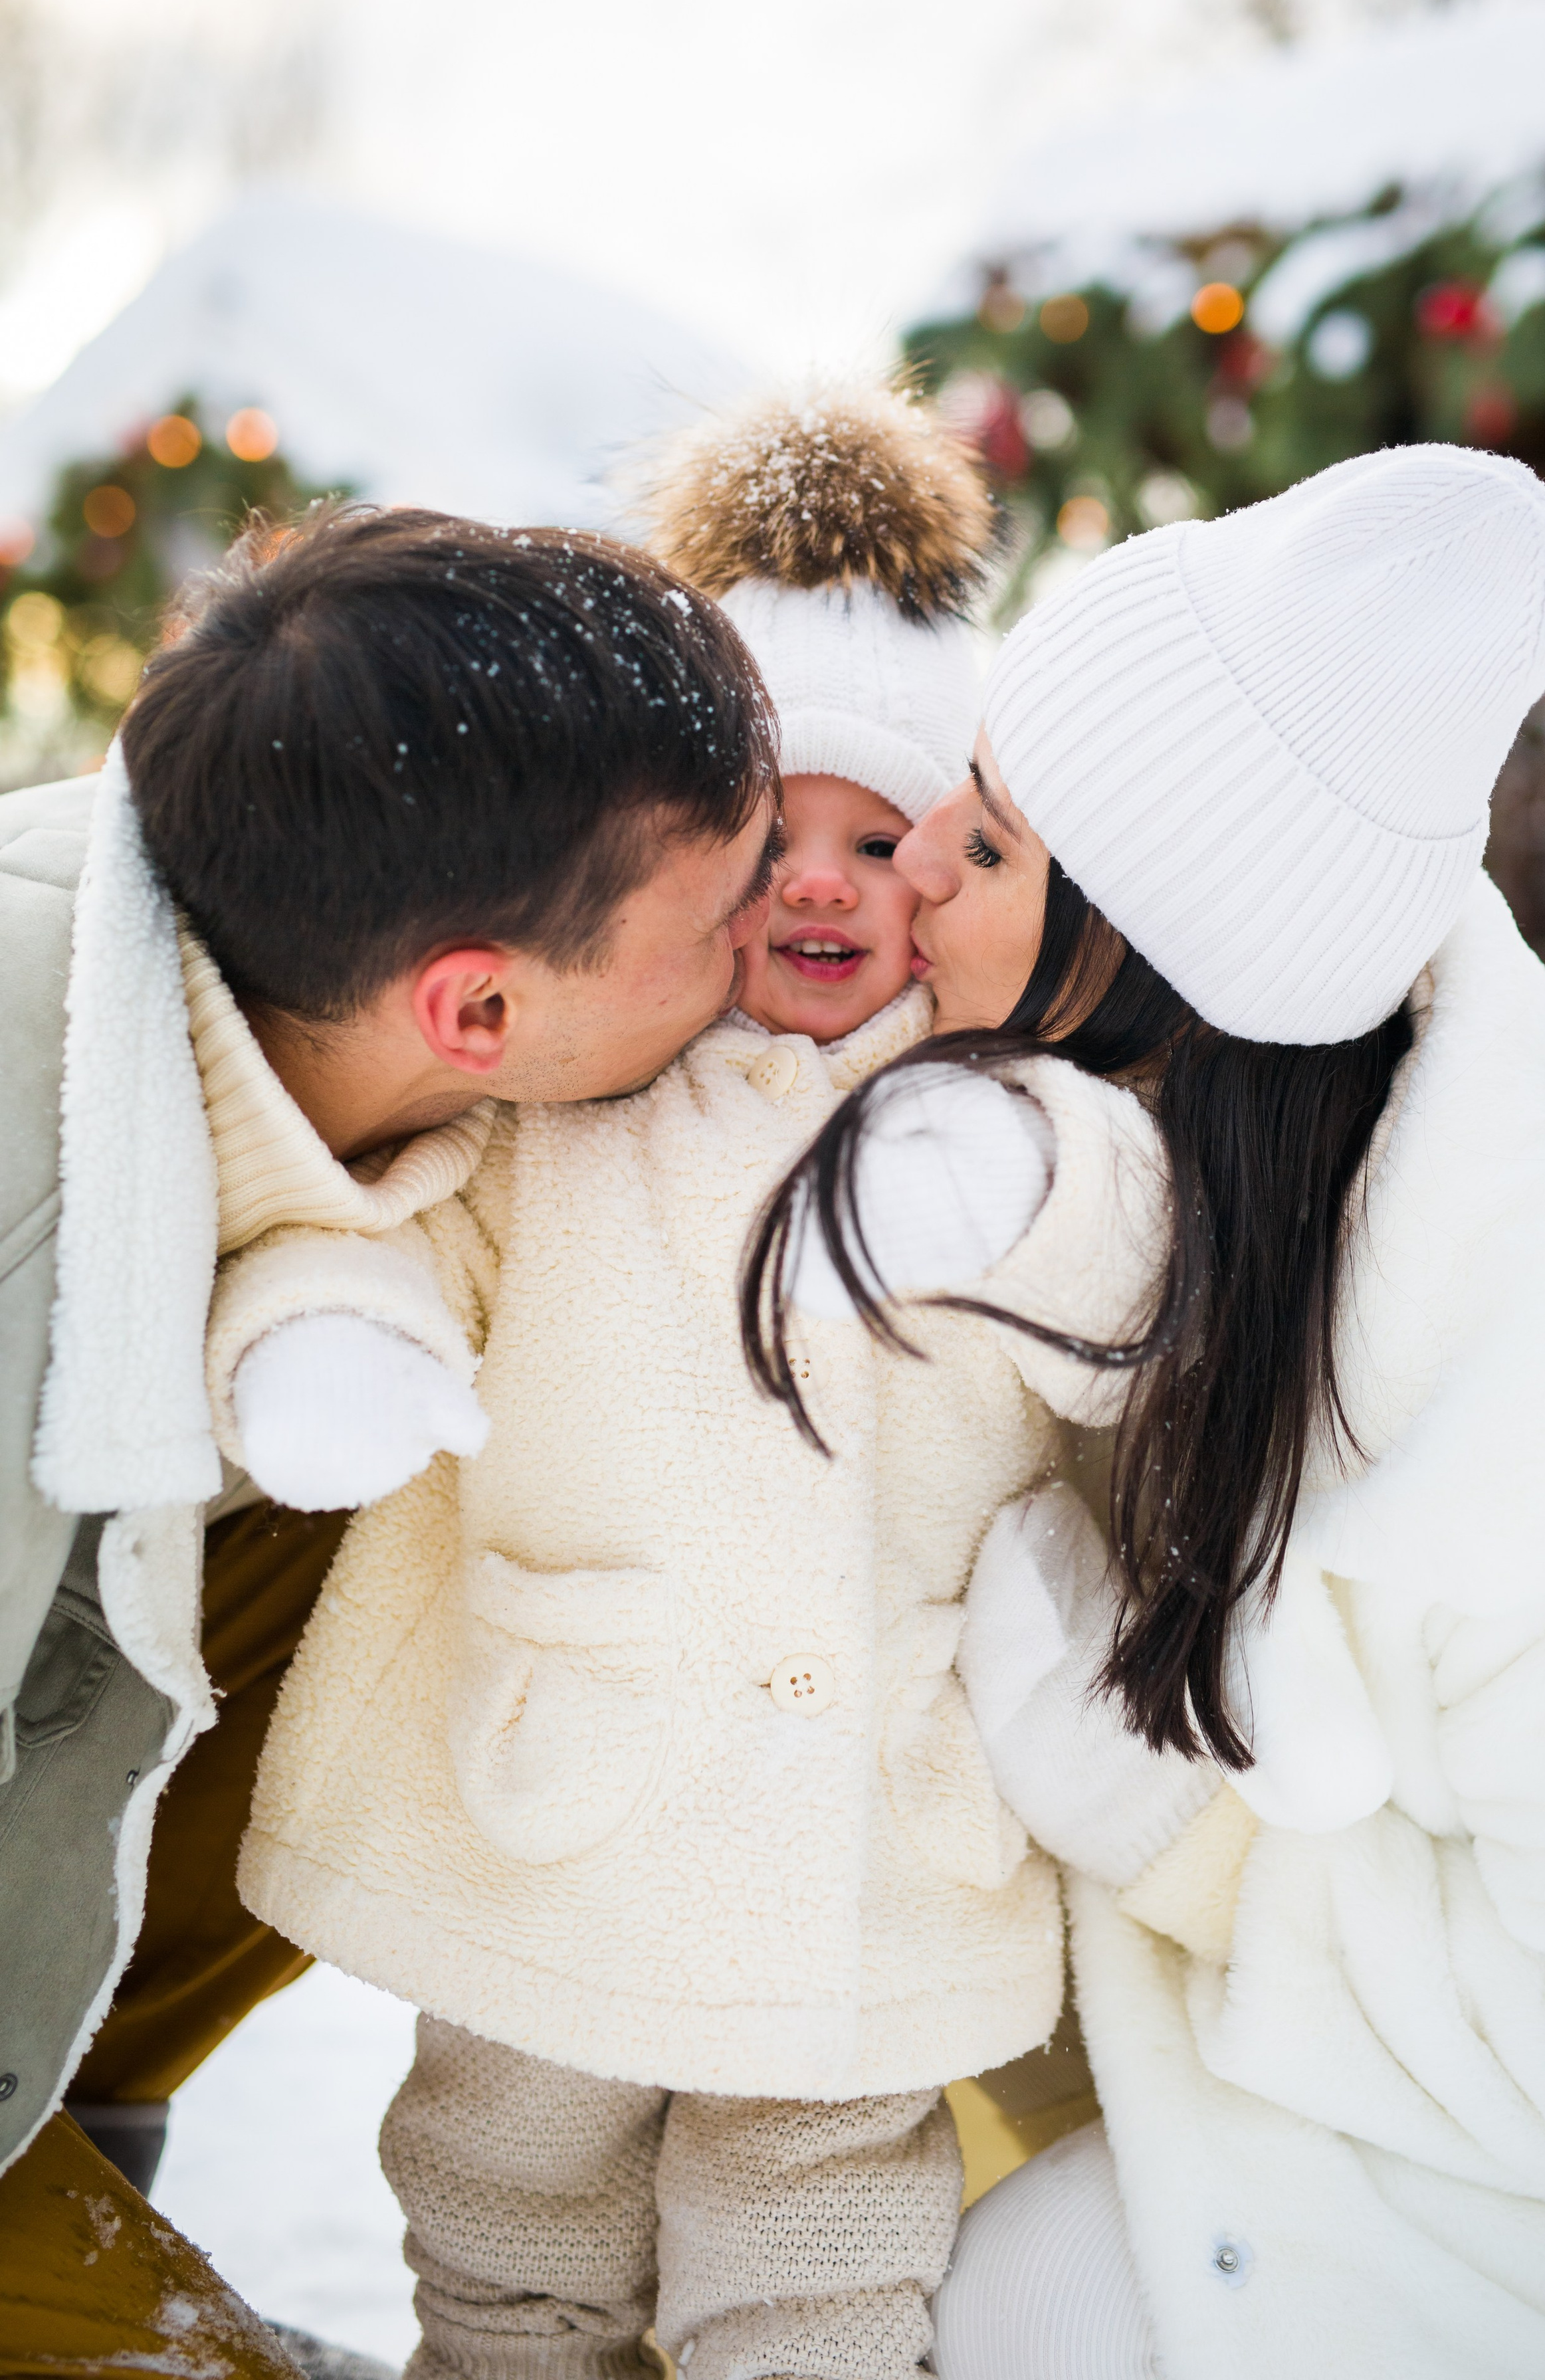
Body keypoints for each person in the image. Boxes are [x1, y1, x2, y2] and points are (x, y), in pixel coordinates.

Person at [752, 445, 1545, 2377]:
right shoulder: (1154, 1163)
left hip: (1496, 2221)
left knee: (1016, 2317)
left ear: (1153, 966)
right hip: (1180, 2066)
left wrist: (1189, 1843)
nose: (916, 860)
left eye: (992, 848)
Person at [201, 387, 1096, 2380]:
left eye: (888, 839)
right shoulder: (582, 1105)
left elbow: (1127, 1285)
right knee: (512, 2220)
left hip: (871, 1829)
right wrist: (331, 1350)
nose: (823, 883)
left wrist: (1031, 1192)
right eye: (772, 831)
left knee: (826, 2253)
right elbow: (393, 1238)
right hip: (569, 1792)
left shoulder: (1012, 1119)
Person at [0, 506, 779, 2377]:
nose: (786, 941)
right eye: (733, 909)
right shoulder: (28, 1179)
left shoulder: (292, 999)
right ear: (483, 1005)